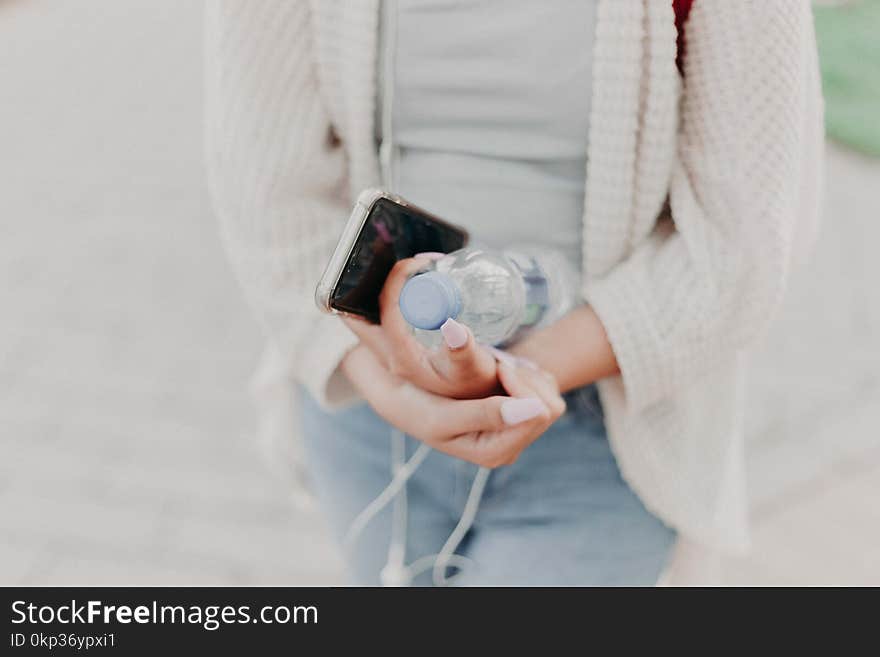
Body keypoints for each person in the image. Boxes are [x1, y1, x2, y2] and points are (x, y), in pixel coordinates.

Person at [205, 0, 823, 585]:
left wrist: (510, 379)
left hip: (604, 431)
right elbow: (268, 196)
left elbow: (740, 247)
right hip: (370, 416)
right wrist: (393, 380)